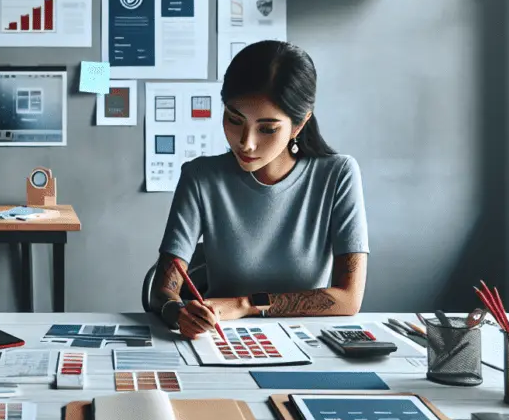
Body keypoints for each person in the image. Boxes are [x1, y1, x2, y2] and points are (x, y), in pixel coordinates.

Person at [149, 40, 369, 340]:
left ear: (299, 124)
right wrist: (179, 312)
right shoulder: (200, 177)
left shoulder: (338, 174)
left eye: (267, 128)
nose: (246, 142)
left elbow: (348, 299)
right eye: (234, 119)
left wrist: (245, 305)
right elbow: (163, 290)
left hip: (308, 341)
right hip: (217, 340)